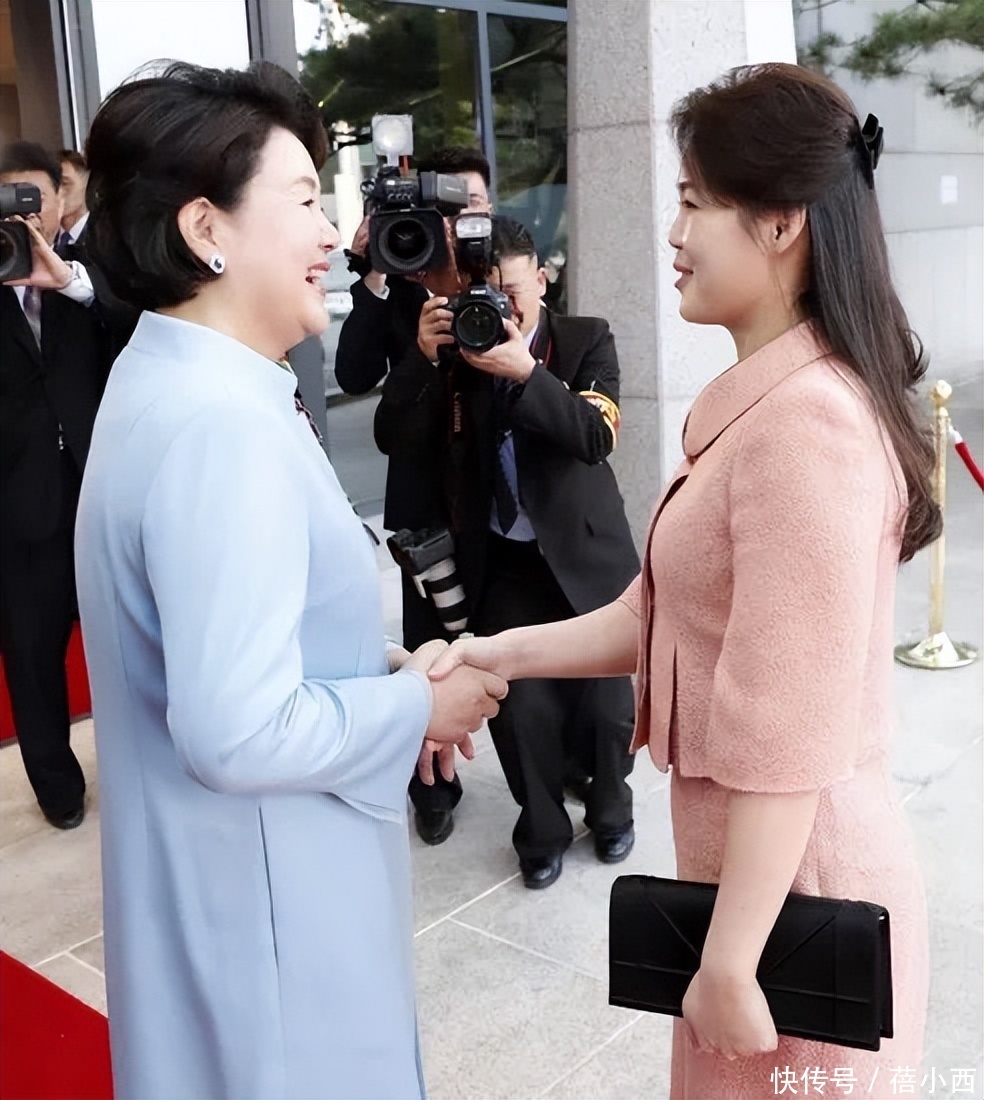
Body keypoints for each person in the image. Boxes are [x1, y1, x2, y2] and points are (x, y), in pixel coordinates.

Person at [429, 62, 936, 1094]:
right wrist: (491, 651)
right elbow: (656, 613)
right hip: (756, 896)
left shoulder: (808, 428)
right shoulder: (771, 400)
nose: (673, 232)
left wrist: (732, 960)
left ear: (782, 221)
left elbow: (786, 731)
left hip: (796, 912)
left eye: (696, 202)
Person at [75, 60, 506, 1099]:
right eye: (305, 200)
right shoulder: (220, 426)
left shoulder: (171, 376)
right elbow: (236, 730)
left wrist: (380, 669)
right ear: (206, 230)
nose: (332, 235)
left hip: (221, 893)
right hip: (274, 925)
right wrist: (418, 706)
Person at [376, 217, 639, 888]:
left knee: (608, 709)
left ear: (541, 281)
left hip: (586, 558)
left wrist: (526, 373)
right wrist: (422, 359)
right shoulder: (460, 349)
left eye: (512, 294)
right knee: (522, 710)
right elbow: (394, 437)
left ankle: (613, 811)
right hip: (506, 564)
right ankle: (542, 832)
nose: (501, 311)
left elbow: (595, 435)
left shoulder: (586, 338)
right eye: (489, 295)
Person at [335, 146, 494, 845]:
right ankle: (432, 787)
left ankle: (567, 767)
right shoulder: (397, 276)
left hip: (498, 497)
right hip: (424, 503)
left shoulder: (506, 273)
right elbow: (351, 372)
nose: (455, 224)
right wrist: (373, 269)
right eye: (446, 211)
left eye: (472, 206)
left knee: (522, 633)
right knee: (429, 646)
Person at [0, 141, 114, 830]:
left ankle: (136, 768)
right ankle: (57, 790)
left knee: (124, 644)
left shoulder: (93, 269)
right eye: (8, 198)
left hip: (100, 494)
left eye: (32, 197)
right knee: (32, 655)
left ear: (60, 198)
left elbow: (130, 324)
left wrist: (68, 280)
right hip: (19, 507)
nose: (22, 213)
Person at [57, 149, 89, 241]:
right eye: (53, 184)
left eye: (64, 183)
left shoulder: (103, 236)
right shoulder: (45, 237)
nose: (57, 191)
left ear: (87, 185)